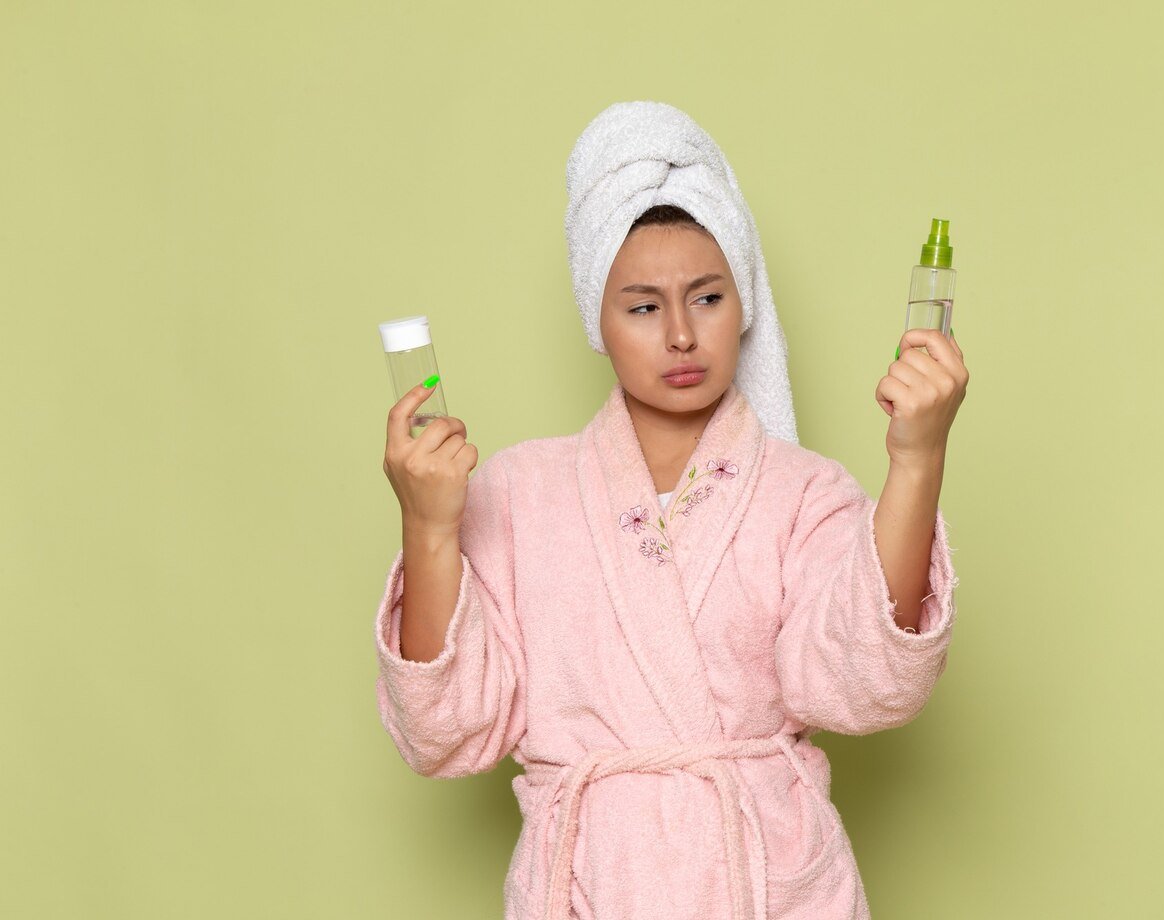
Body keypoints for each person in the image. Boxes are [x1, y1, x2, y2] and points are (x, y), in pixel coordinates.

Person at [375, 102, 968, 920]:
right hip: (589, 887)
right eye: (644, 307)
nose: (682, 335)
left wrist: (918, 460)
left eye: (708, 297)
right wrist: (429, 526)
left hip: (768, 884)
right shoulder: (514, 493)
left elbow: (866, 683)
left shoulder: (806, 492)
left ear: (744, 304)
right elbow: (445, 730)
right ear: (598, 321)